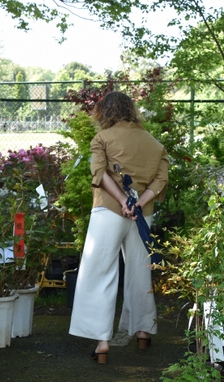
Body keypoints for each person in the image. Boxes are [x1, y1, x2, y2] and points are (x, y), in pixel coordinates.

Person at [68, 91, 169, 364]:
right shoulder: (155, 144)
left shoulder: (102, 138)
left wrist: (124, 200)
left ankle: (102, 343)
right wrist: (137, 203)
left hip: (108, 211)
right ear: (131, 110)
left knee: (99, 272)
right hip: (142, 215)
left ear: (105, 112)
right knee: (140, 273)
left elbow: (99, 174)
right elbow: (160, 180)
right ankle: (144, 331)